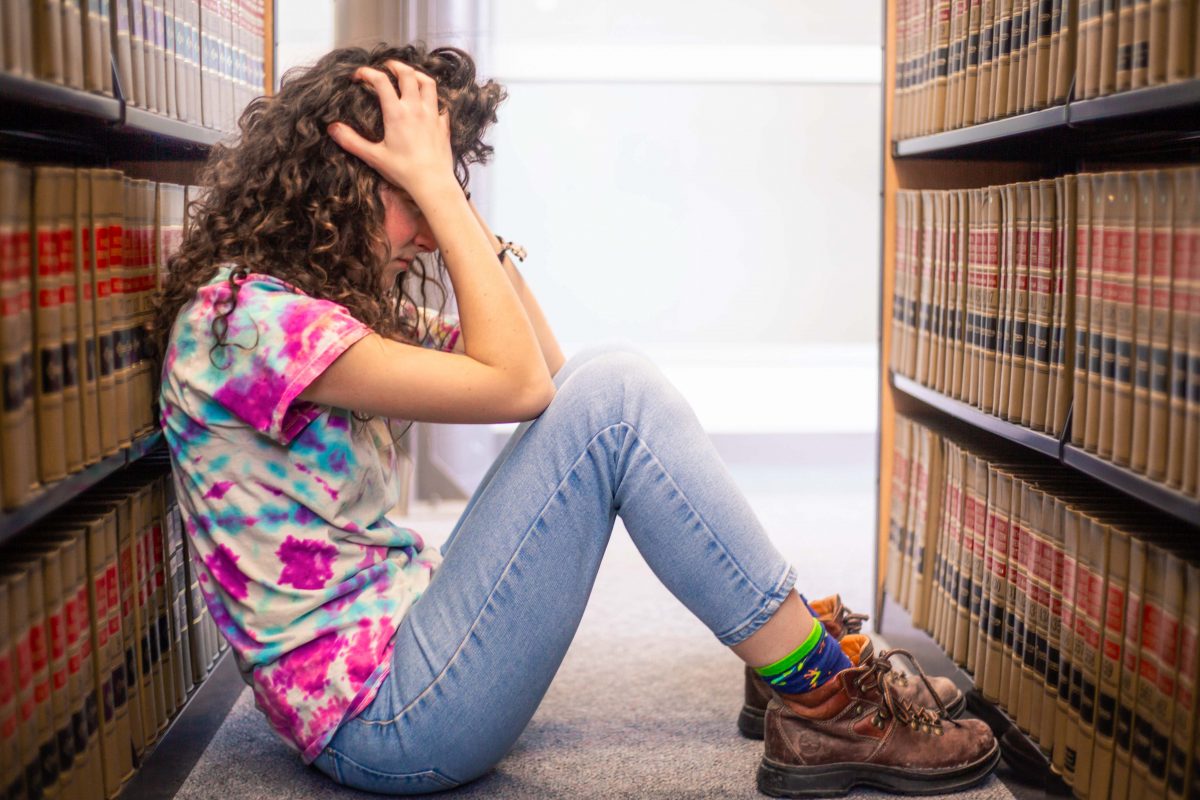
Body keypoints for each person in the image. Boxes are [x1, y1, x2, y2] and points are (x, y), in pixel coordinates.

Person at [153, 43, 1000, 797]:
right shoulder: (250, 322)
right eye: (414, 193)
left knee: (605, 377)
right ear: (345, 186)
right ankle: (826, 693)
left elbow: (551, 374)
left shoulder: (310, 311)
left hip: (408, 644)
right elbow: (527, 390)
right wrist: (439, 195)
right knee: (617, 391)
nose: (428, 222)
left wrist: (450, 204)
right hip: (385, 721)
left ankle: (797, 660)